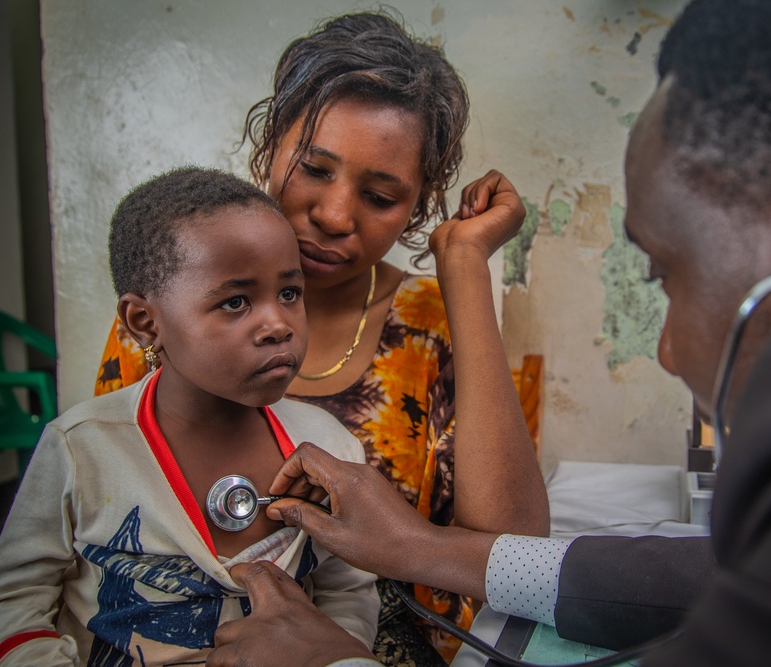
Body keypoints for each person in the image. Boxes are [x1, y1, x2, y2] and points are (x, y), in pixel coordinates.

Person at [201, 1, 771, 665]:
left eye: (665, 274)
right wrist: (418, 546)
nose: (667, 351)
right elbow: (717, 574)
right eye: (314, 169)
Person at [92, 12, 549, 665]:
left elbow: (516, 552)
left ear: (419, 206)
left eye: (382, 195)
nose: (335, 215)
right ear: (269, 147)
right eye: (314, 168)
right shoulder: (167, 308)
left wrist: (465, 267)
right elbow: (103, 503)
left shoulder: (428, 326)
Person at [0, 167, 380, 666]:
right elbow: (11, 600)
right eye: (235, 301)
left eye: (290, 293)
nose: (278, 324)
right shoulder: (82, 448)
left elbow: (346, 591)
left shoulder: (328, 448)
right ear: (145, 322)